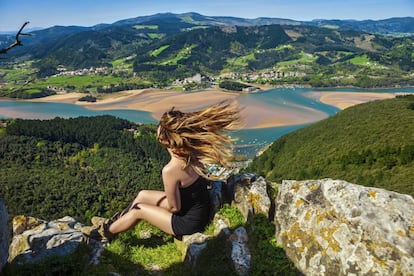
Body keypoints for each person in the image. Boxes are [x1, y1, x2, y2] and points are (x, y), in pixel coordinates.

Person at [101, 100, 242, 241]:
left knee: (139, 210)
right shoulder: (193, 152)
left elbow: (175, 208)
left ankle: (105, 233)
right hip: (198, 210)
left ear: (165, 140)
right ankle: (117, 222)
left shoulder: (170, 170)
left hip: (188, 223)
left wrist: (156, 209)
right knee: (142, 195)